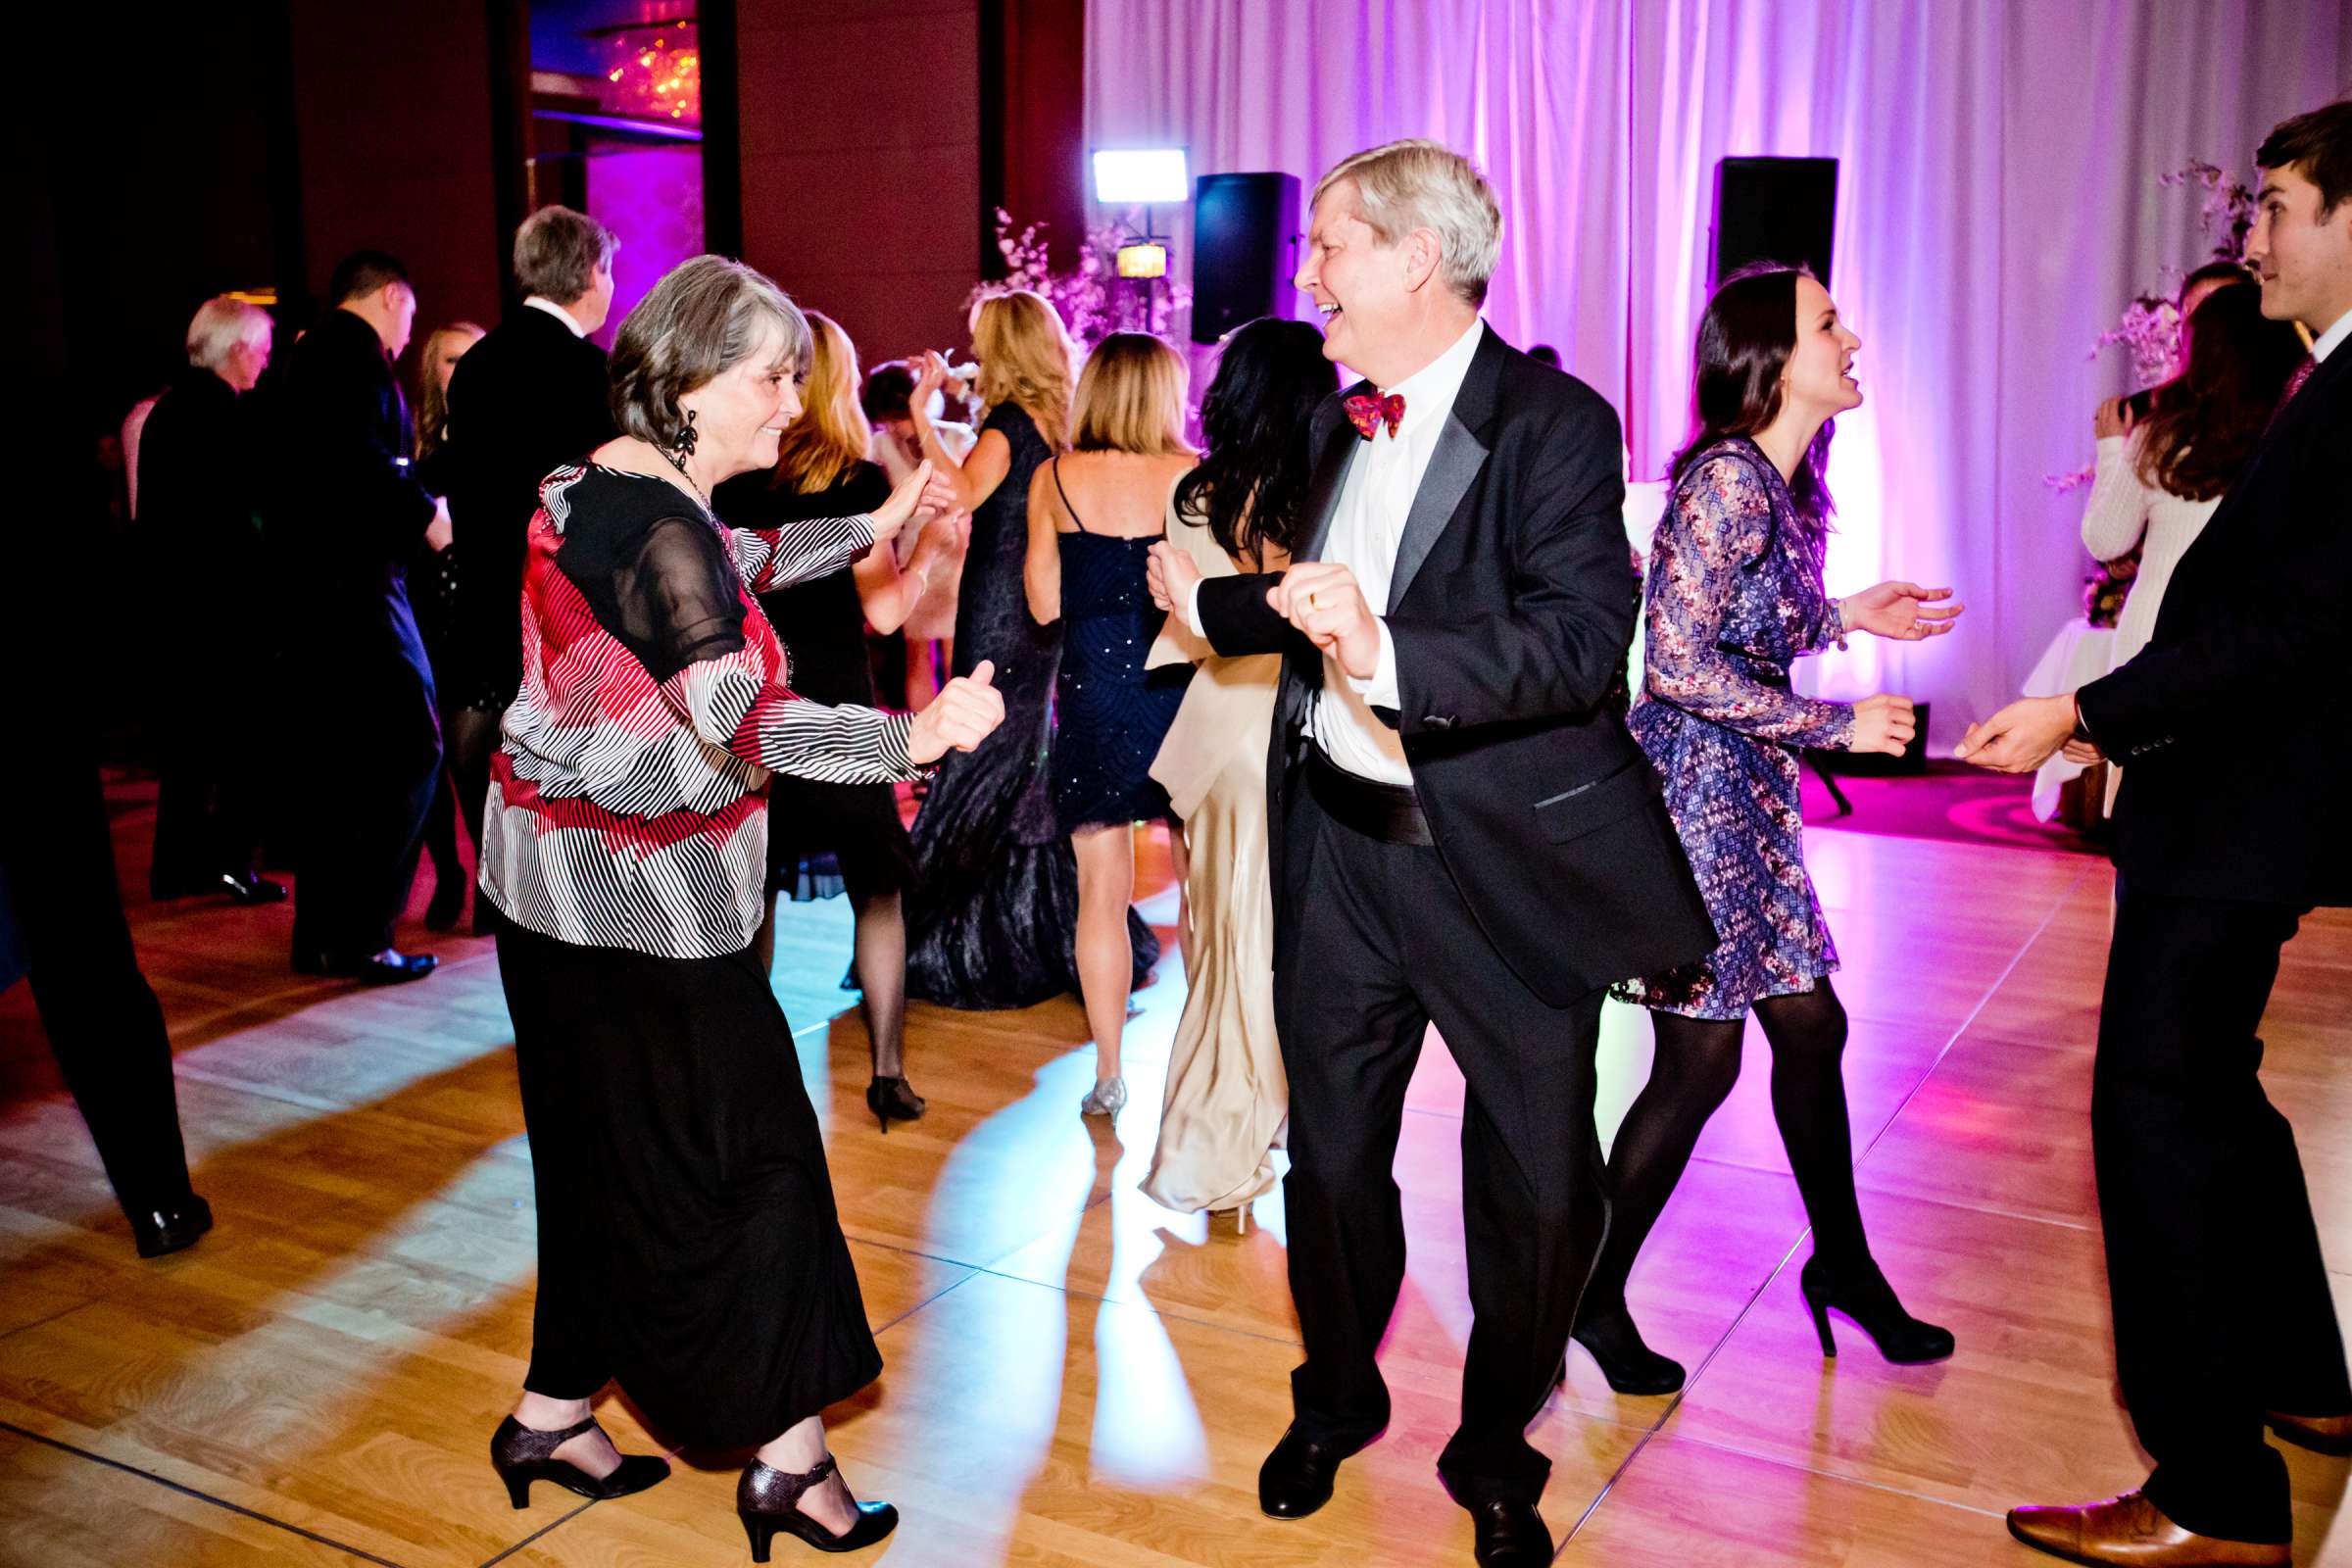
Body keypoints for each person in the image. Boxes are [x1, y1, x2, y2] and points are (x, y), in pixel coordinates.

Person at [1147, 139, 1716, 1566]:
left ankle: (1496, 1441)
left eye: (1330, 246)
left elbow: (1584, 645)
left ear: (1412, 256)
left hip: (1501, 866)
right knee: (1331, 1163)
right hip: (1339, 849)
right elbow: (1320, 599)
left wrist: (1389, 649)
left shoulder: (1558, 426)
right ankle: (1335, 1395)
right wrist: (1224, 607)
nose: (1309, 272)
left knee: (1533, 1181)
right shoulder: (1343, 422)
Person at [475, 255, 994, 1555]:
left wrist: (874, 527)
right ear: (697, 385)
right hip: (643, 912)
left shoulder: (602, 483)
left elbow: (738, 552)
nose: (789, 401)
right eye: (772, 376)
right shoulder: (660, 531)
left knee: (595, 1153)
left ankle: (549, 1412)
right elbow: (740, 716)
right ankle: (789, 1459)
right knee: (757, 1161)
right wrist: (911, 736)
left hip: (550, 893)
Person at [1965, 101, 2352, 1568]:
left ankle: (2209, 1489)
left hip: (2239, 808)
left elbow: (2290, 630)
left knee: (2157, 1116)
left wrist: (2081, 716)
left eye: (2276, 207)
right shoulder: (2325, 379)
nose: (2250, 236)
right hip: (2238, 802)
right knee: (2219, 1095)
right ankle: (2310, 1384)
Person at [1582, 267, 1964, 1399]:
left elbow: (1744, 616)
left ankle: (1841, 1263)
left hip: (1742, 794)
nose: (1852, 338)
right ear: (1772, 358)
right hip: (1698, 798)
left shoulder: (1776, 482)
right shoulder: (1731, 483)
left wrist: (1849, 611)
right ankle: (1590, 1297)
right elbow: (1674, 661)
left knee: (1811, 1028)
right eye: (1829, 325)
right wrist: (1834, 722)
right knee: (1701, 1060)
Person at [712, 311, 963, 1132]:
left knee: (755, 903)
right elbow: (888, 617)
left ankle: (749, 1072)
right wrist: (925, 553)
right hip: (843, 717)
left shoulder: (734, 484)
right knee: (878, 893)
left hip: (758, 716)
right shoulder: (858, 485)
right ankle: (888, 1071)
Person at [901, 290, 1157, 1008]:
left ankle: (963, 935)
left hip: (1000, 607)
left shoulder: (1010, 424)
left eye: (982, 343)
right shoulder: (1055, 418)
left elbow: (956, 493)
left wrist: (923, 410)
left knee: (978, 743)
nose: (974, 356)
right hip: (1038, 606)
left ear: (1003, 349)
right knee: (1020, 751)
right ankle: (1043, 925)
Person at [1141, 317, 1335, 1219]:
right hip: (1284, 720)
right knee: (1268, 942)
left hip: (1215, 720)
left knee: (1225, 940)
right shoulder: (1318, 490)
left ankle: (1250, 1119)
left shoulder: (1196, 492)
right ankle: (1233, 1134)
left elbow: (1186, 626)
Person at [1023, 332, 1198, 1117]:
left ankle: (1108, 1075)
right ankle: (1207, 1065)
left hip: (1094, 695)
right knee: (1205, 892)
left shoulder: (1054, 477)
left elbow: (1043, 605)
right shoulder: (1196, 477)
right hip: (1184, 696)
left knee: (1102, 892)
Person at [274, 250, 452, 983]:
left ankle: (322, 935)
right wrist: (429, 520)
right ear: (389, 296)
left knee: (339, 765)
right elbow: (363, 463)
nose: (410, 332)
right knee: (411, 747)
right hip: (358, 585)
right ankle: (361, 932)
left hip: (310, 591)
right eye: (410, 312)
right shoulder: (353, 356)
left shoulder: (303, 358)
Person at [441, 206, 619, 909]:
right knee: (562, 784)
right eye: (608, 270)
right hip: (560, 606)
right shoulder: (588, 371)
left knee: (483, 743)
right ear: (588, 274)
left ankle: (501, 881)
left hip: (485, 584)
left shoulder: (478, 363)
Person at [2077, 278, 2302, 811]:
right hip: (2246, 646)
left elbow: (2106, 538)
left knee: (2148, 820)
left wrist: (2112, 448)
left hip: (2158, 638)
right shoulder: (2289, 436)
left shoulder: (2164, 433)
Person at [141, 295, 286, 906]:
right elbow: (245, 518)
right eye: (262, 349)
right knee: (238, 741)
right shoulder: (226, 416)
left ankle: (174, 866)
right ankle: (230, 862)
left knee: (187, 747)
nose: (266, 361)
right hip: (224, 610)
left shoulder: (167, 410)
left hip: (175, 607)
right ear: (237, 350)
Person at [411, 320, 486, 930]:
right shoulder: (417, 442)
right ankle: (448, 874)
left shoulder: (493, 435)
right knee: (427, 750)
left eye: (473, 358)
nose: (462, 369)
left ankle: (493, 877)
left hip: (477, 603)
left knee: (470, 750)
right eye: (451, 359)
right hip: (422, 602)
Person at [865, 361, 972, 710]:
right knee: (917, 652)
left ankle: (959, 742)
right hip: (914, 550)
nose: (895, 426)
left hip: (956, 546)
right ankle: (923, 735)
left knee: (958, 649)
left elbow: (969, 497)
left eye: (898, 414)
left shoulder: (957, 435)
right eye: (888, 417)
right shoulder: (880, 444)